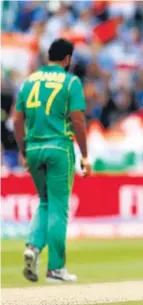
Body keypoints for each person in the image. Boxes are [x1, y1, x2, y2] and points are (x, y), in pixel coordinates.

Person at [13, 38, 91, 283]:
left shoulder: (30, 80)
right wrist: (85, 155)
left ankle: (33, 247)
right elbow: (77, 120)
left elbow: (17, 120)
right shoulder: (71, 81)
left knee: (45, 202)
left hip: (34, 147)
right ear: (67, 59)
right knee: (58, 205)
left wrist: (24, 151)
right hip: (59, 147)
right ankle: (55, 269)